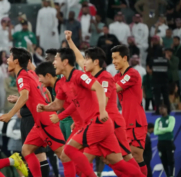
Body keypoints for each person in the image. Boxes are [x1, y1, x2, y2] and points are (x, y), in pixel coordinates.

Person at [39, 47, 145, 177]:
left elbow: (101, 91)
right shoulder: (72, 80)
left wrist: (101, 111)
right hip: (96, 123)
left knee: (69, 154)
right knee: (116, 162)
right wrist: (45, 107)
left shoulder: (92, 76)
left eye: (55, 59)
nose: (53, 63)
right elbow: (63, 103)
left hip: (103, 121)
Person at [65, 31, 142, 172]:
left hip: (111, 120)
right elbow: (79, 58)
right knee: (92, 162)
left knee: (125, 157)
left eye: (87, 59)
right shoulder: (88, 73)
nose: (84, 62)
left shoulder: (105, 77)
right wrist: (70, 40)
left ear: (96, 62)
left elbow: (103, 100)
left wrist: (83, 122)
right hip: (97, 123)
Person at [0, 48, 75, 177]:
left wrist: (9, 114)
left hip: (46, 122)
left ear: (16, 61)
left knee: (63, 155)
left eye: (10, 57)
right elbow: (43, 93)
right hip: (39, 122)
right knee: (26, 149)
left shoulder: (22, 77)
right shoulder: (32, 74)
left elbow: (25, 96)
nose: (7, 60)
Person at [112, 45, 148, 175]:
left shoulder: (132, 73)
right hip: (124, 121)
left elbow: (113, 89)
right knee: (123, 158)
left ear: (125, 58)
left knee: (136, 155)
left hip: (136, 120)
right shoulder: (116, 77)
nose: (113, 61)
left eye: (116, 58)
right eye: (112, 58)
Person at [154, 104, 176, 177]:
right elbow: (155, 132)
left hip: (169, 142)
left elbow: (170, 129)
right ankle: (167, 175)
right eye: (160, 109)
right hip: (161, 142)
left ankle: (171, 175)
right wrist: (165, 130)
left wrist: (160, 129)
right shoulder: (158, 120)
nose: (161, 110)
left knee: (170, 160)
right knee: (164, 161)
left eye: (162, 109)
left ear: (166, 109)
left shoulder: (171, 118)